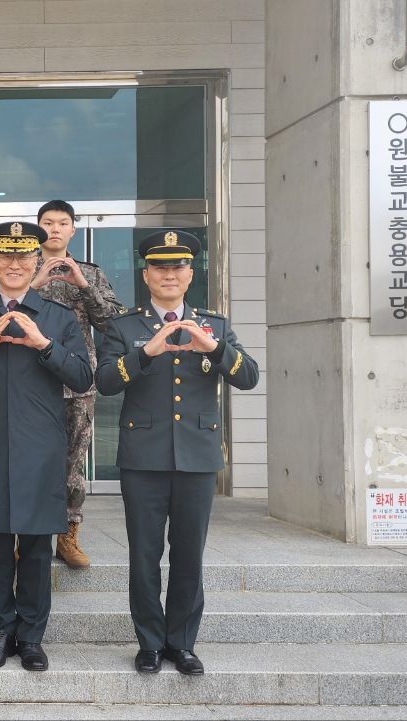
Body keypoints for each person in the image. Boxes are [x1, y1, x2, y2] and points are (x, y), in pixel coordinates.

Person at [95, 230, 259, 676]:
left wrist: (214, 347)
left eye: (178, 267)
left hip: (197, 459)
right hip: (143, 460)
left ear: (189, 275)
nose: (169, 274)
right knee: (144, 556)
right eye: (160, 267)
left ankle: (182, 643)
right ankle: (149, 644)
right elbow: (105, 382)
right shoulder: (124, 327)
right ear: (146, 274)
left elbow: (249, 377)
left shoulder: (215, 325)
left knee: (189, 556)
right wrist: (146, 353)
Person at [0, 222, 93, 673]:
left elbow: (83, 377)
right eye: (6, 257)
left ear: (35, 262)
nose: (14, 265)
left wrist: (44, 345)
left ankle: (30, 637)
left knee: (35, 549)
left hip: (41, 451)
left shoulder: (58, 318)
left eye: (23, 257)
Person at [30, 200, 125, 569]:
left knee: (73, 463)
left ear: (73, 229)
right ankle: (31, 535)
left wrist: (84, 286)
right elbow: (6, 311)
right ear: (38, 228)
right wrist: (36, 283)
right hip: (33, 382)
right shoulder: (23, 267)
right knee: (34, 461)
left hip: (77, 384)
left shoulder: (91, 274)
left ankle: (68, 535)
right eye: (48, 222)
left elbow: (112, 324)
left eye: (62, 223)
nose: (55, 229)